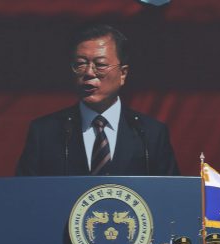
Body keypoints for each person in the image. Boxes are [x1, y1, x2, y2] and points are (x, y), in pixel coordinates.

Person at [15, 24, 179, 176]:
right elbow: (23, 195)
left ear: (123, 74)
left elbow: (171, 196)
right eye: (80, 64)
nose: (89, 73)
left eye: (100, 65)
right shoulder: (45, 132)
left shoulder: (150, 133)